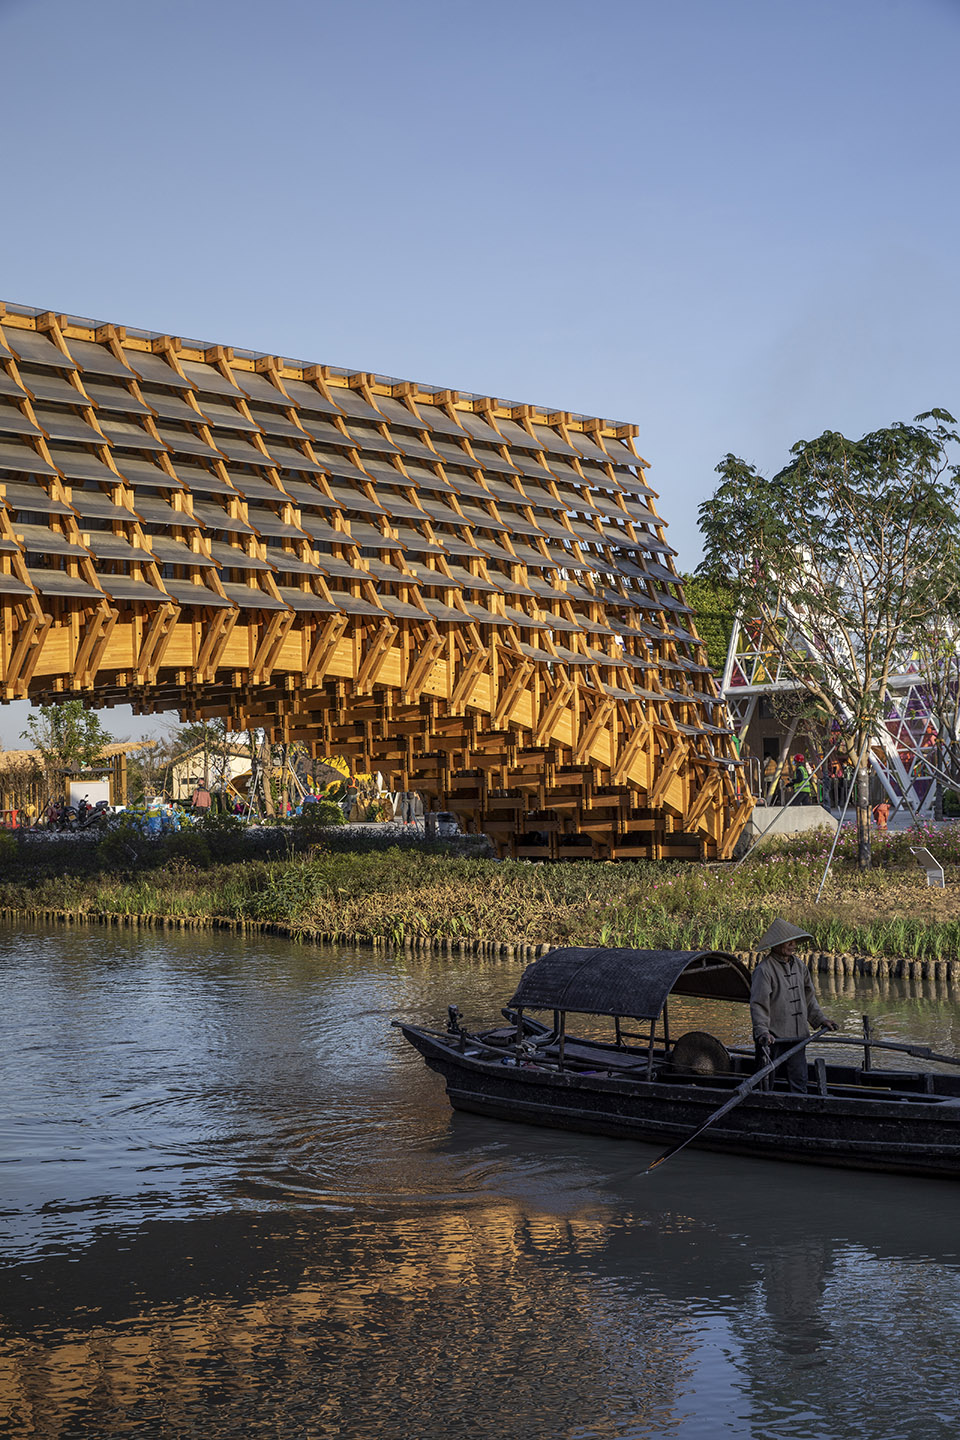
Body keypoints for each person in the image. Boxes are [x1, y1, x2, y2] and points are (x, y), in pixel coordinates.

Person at [750, 918, 838, 1093]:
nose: (793, 945)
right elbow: (758, 1004)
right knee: (766, 1081)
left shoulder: (799, 966)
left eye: (794, 941)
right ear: (776, 944)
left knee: (800, 1079)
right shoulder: (764, 970)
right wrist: (762, 1031)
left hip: (797, 1037)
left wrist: (821, 1019)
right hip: (773, 1038)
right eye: (787, 941)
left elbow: (809, 997)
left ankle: (800, 1110)